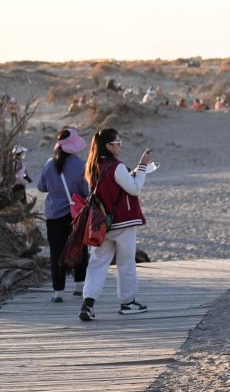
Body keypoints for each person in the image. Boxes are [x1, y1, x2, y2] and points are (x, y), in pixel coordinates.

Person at [79, 128, 153, 321]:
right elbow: (134, 189)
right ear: (109, 146)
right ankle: (128, 302)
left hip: (102, 222)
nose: (120, 146)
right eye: (117, 143)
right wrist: (143, 167)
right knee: (126, 262)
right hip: (123, 220)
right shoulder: (116, 167)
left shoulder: (93, 166)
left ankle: (88, 303)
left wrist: (134, 172)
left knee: (97, 263)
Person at [37, 129, 90, 303]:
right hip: (75, 214)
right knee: (80, 248)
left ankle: (57, 292)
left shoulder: (48, 163)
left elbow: (41, 187)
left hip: (54, 215)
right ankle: (79, 286)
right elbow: (85, 190)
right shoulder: (80, 164)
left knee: (56, 252)